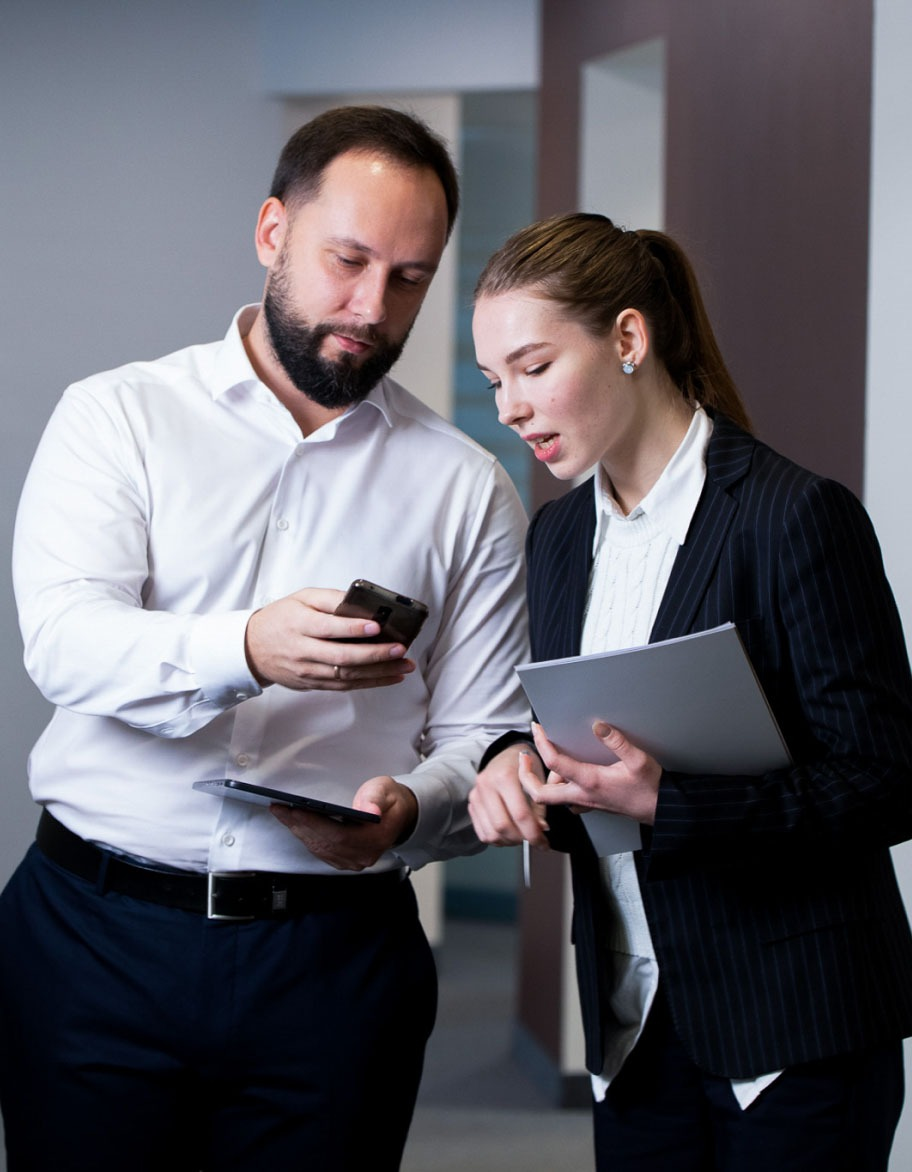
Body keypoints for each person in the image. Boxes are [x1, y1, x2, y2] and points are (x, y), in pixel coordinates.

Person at [0, 105, 530, 1172]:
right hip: (95, 941)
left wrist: (408, 812)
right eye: (349, 259)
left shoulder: (468, 487)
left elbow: (483, 735)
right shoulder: (118, 417)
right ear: (271, 232)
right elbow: (62, 640)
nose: (373, 307)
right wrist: (244, 647)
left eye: (412, 278)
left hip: (336, 963)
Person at [468, 211, 912, 1172]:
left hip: (795, 1027)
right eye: (493, 380)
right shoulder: (553, 538)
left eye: (533, 367)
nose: (508, 406)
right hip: (633, 1029)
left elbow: (890, 778)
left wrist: (673, 805)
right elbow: (568, 737)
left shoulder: (793, 516)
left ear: (628, 339)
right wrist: (516, 769)